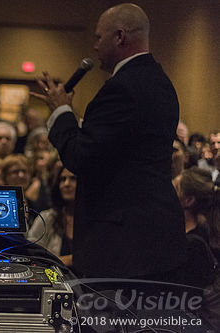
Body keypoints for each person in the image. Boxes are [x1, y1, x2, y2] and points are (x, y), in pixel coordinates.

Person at [32, 3, 185, 279]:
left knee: (112, 323)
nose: (94, 46)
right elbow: (117, 146)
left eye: (98, 37)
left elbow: (81, 157)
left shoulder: (122, 88)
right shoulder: (158, 81)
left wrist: (60, 112)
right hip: (152, 235)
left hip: (124, 244)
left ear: (120, 37)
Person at [27, 166, 76, 267]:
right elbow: (31, 256)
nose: (66, 184)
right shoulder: (46, 218)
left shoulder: (94, 222)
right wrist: (70, 260)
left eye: (73, 179)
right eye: (63, 179)